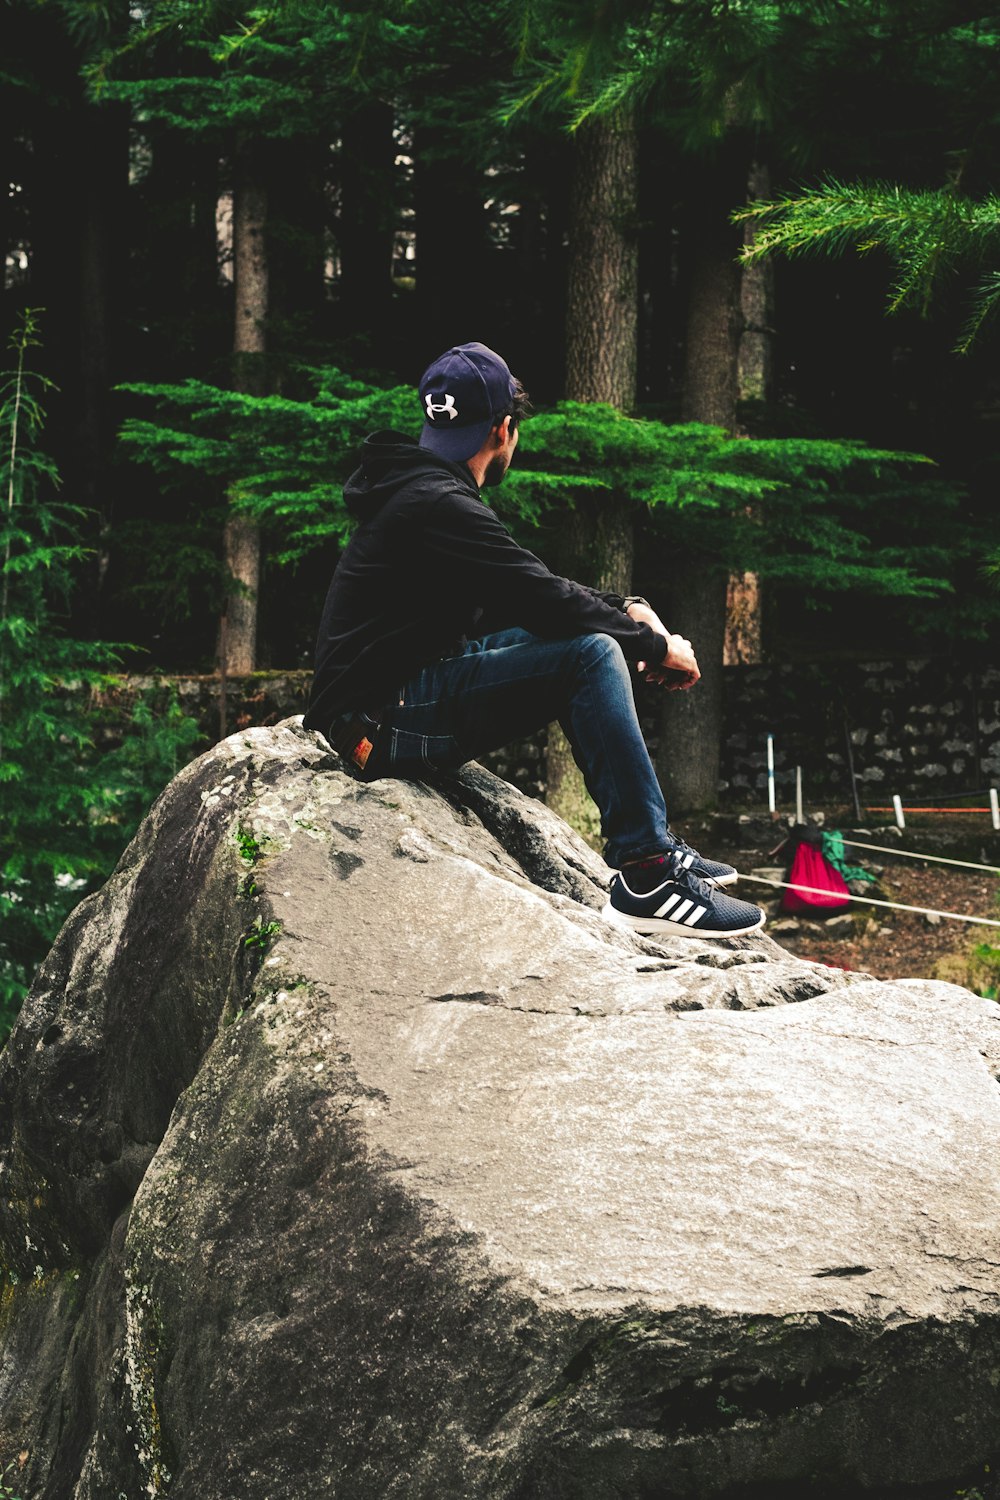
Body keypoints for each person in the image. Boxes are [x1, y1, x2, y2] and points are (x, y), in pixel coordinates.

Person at [303, 342, 765, 941]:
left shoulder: (420, 489)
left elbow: (532, 592)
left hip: (392, 694)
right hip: (380, 724)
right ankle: (648, 874)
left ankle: (652, 848)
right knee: (591, 654)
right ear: (503, 429)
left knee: (581, 637)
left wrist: (625, 608)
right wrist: (651, 645)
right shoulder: (439, 503)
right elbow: (540, 594)